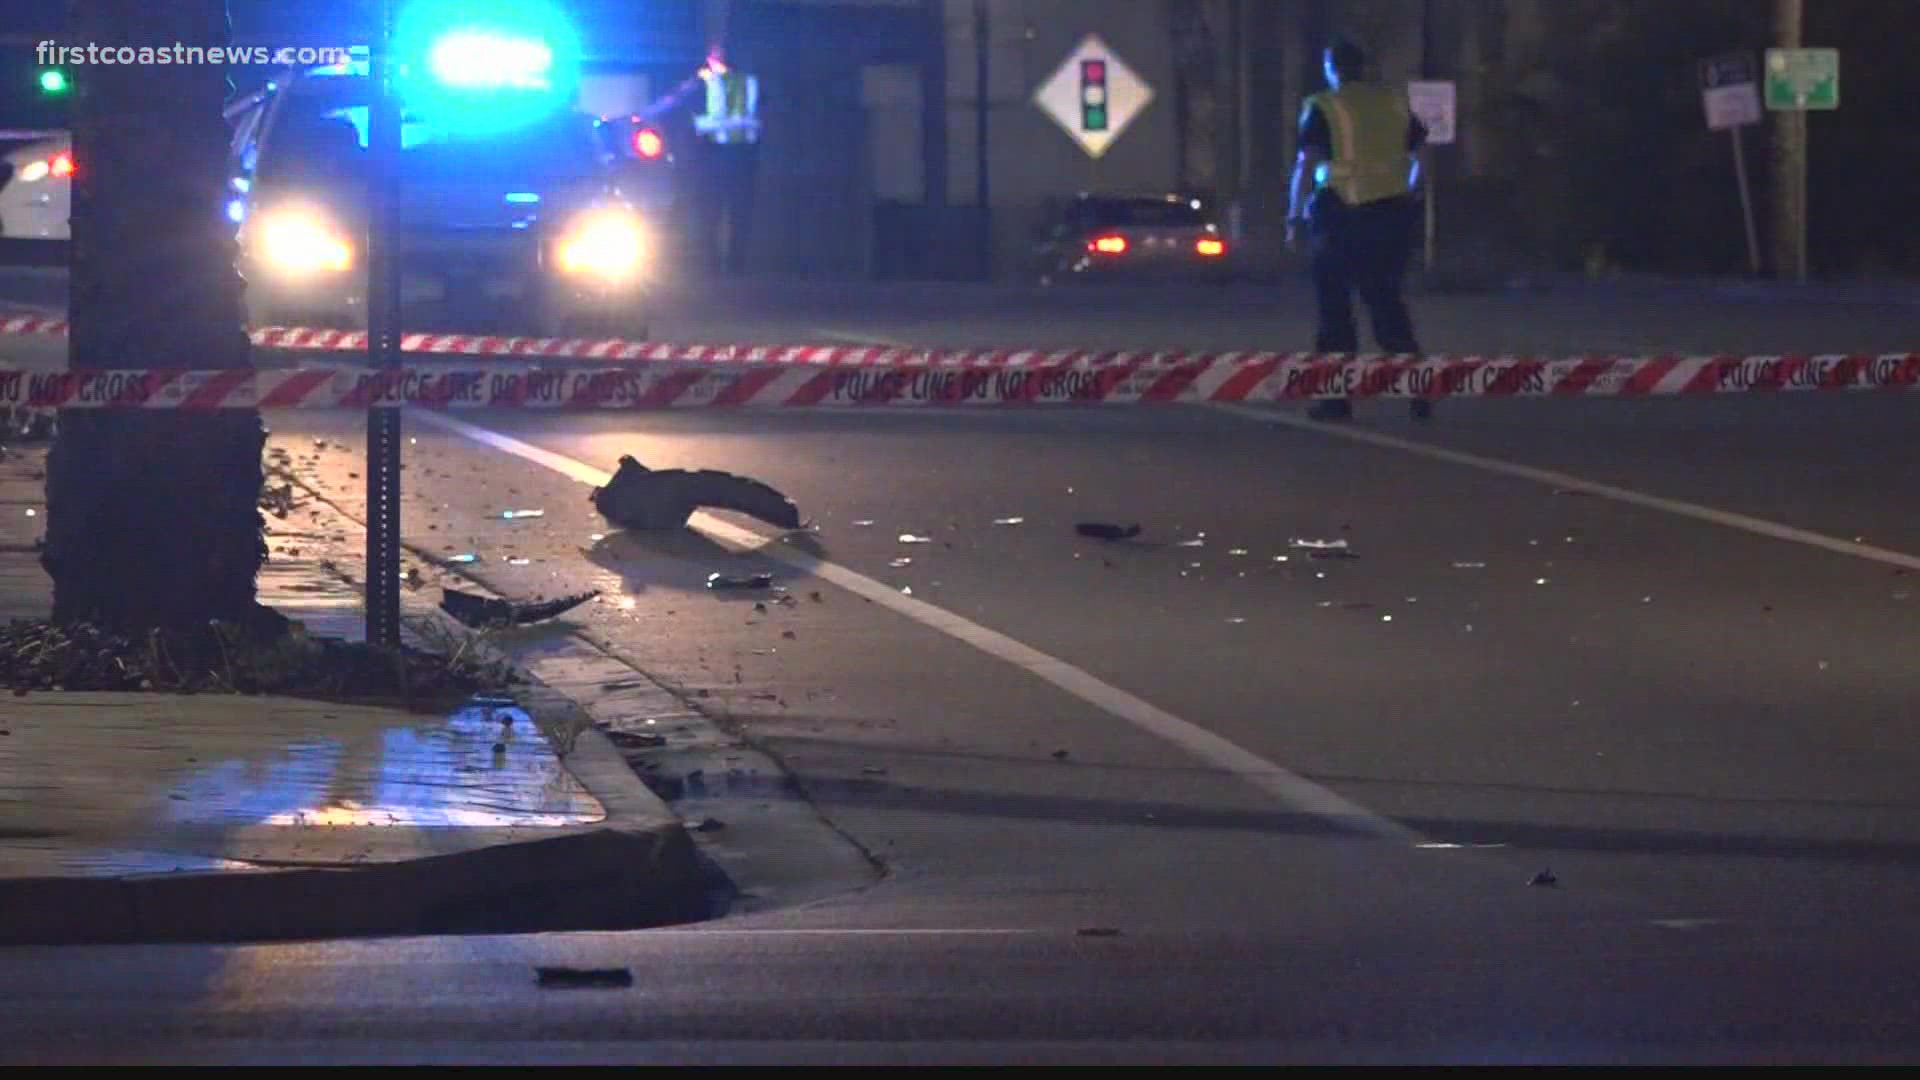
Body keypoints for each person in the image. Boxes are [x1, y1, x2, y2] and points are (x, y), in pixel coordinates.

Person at [1285, 38, 1430, 421]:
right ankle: (1419, 391)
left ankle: (1336, 399)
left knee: (1335, 313)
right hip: (1391, 218)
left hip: (1340, 216)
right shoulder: (1393, 103)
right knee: (1387, 305)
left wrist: (1294, 217)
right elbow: (1422, 156)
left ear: (1332, 68)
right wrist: (1410, 193)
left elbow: (1306, 164)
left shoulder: (1324, 107)